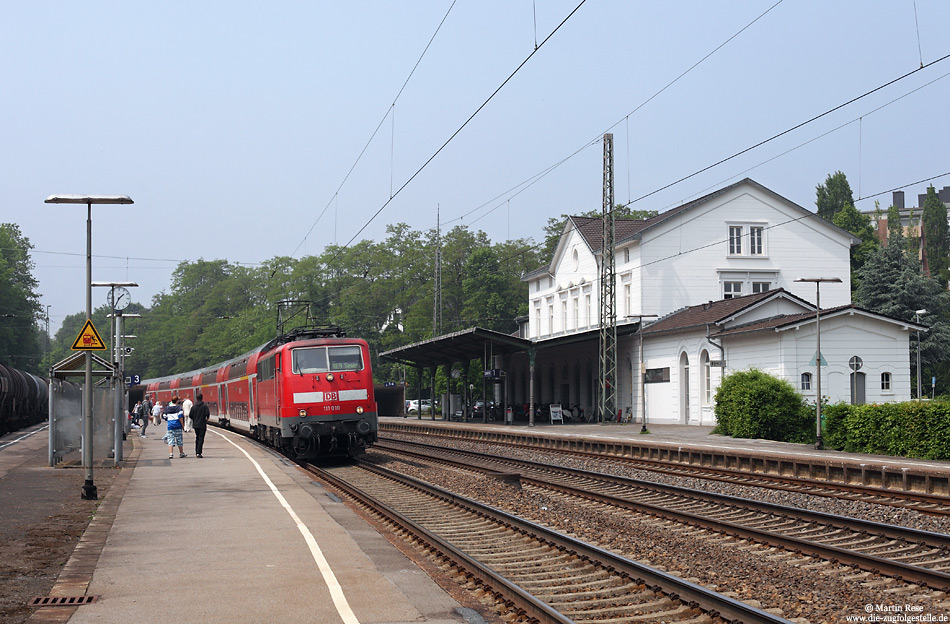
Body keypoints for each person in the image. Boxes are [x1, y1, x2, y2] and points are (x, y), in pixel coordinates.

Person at [190, 392, 210, 458]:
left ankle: (196, 452)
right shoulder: (204, 406)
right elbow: (207, 414)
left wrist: (195, 419)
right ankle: (199, 452)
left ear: (196, 398)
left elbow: (190, 415)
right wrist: (206, 420)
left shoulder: (193, 407)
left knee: (197, 437)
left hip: (195, 425)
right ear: (202, 398)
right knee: (201, 438)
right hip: (202, 425)